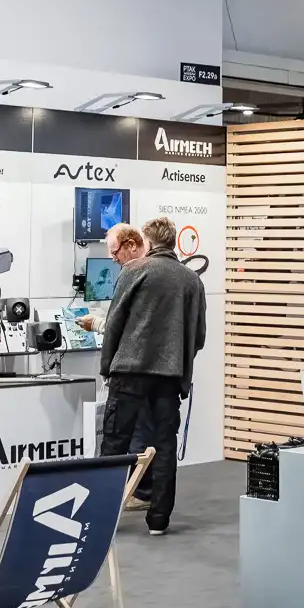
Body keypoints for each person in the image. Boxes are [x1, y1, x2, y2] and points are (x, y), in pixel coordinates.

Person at [78, 217, 207, 536]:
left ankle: (100, 518)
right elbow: (199, 337)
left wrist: (107, 368)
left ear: (147, 243)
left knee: (114, 444)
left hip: (129, 373)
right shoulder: (193, 280)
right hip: (169, 377)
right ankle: (158, 520)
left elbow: (115, 324)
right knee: (164, 446)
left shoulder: (134, 271)